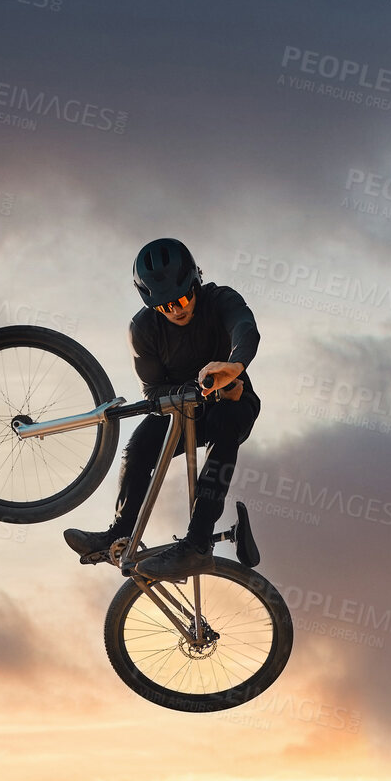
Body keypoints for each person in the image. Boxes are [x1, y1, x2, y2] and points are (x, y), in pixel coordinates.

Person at [63, 238, 260, 580]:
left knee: (228, 423)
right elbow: (153, 389)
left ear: (196, 282)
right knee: (140, 444)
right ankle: (119, 532)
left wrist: (233, 367)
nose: (177, 310)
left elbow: (246, 329)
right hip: (179, 408)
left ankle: (198, 544)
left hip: (231, 398)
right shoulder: (142, 329)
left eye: (183, 299)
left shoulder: (220, 300)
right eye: (166, 306)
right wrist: (194, 390)